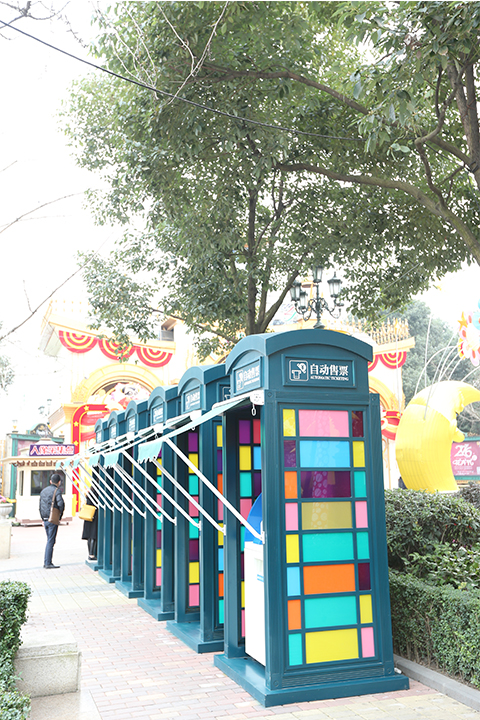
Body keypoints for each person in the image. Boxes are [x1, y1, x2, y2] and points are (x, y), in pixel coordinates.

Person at [39, 473, 64, 569]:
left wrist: (42, 518)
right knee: (51, 541)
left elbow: (40, 506)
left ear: (50, 481)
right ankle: (48, 563)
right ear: (59, 482)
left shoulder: (43, 491)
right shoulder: (57, 491)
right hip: (52, 519)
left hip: (45, 519)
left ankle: (47, 561)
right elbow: (61, 504)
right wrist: (59, 516)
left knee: (49, 539)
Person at [81, 490, 98, 560]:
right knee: (93, 535)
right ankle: (91, 554)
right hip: (94, 515)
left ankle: (90, 554)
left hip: (88, 515)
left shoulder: (89, 493)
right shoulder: (97, 494)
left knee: (89, 536)